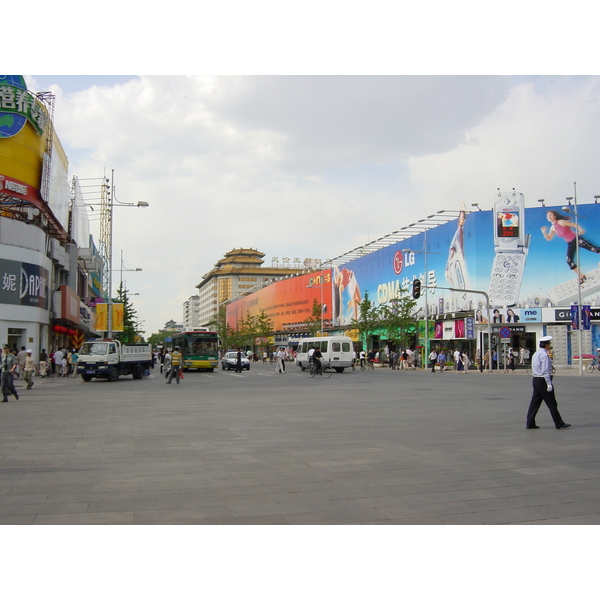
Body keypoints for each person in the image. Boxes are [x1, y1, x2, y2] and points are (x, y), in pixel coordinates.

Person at [541, 209, 600, 284]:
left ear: (555, 216)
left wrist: (580, 229)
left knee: (594, 249)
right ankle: (581, 276)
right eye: (547, 216)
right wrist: (544, 232)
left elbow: (574, 225)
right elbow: (549, 238)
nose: (549, 216)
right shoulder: (553, 228)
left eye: (550, 215)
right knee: (569, 261)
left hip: (576, 239)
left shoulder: (561, 222)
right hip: (570, 243)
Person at [526, 336, 571, 430]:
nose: (550, 346)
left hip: (536, 379)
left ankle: (530, 423)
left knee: (535, 402)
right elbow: (545, 370)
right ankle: (559, 423)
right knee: (552, 403)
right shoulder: (544, 355)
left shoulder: (536, 354)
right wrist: (549, 383)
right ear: (546, 345)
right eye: (549, 344)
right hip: (543, 380)